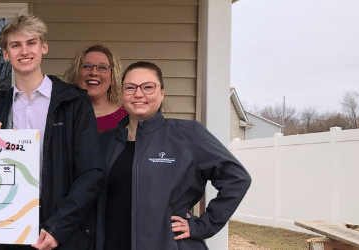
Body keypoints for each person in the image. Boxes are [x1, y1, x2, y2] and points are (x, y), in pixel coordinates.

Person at [0, 14, 103, 250]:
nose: (24, 51)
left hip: (60, 233)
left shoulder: (74, 102)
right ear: (5, 54)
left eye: (31, 43)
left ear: (44, 47)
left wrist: (58, 228)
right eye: (15, 45)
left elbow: (91, 172)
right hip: (7, 229)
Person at [96, 61, 251, 250]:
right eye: (130, 88)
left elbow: (237, 178)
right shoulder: (105, 142)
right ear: (122, 93)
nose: (138, 94)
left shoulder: (187, 135)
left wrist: (203, 225)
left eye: (148, 87)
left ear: (162, 92)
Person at [63, 44, 126, 133]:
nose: (93, 72)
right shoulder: (62, 115)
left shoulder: (127, 117)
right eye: (87, 66)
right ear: (76, 73)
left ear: (113, 76)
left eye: (102, 67)